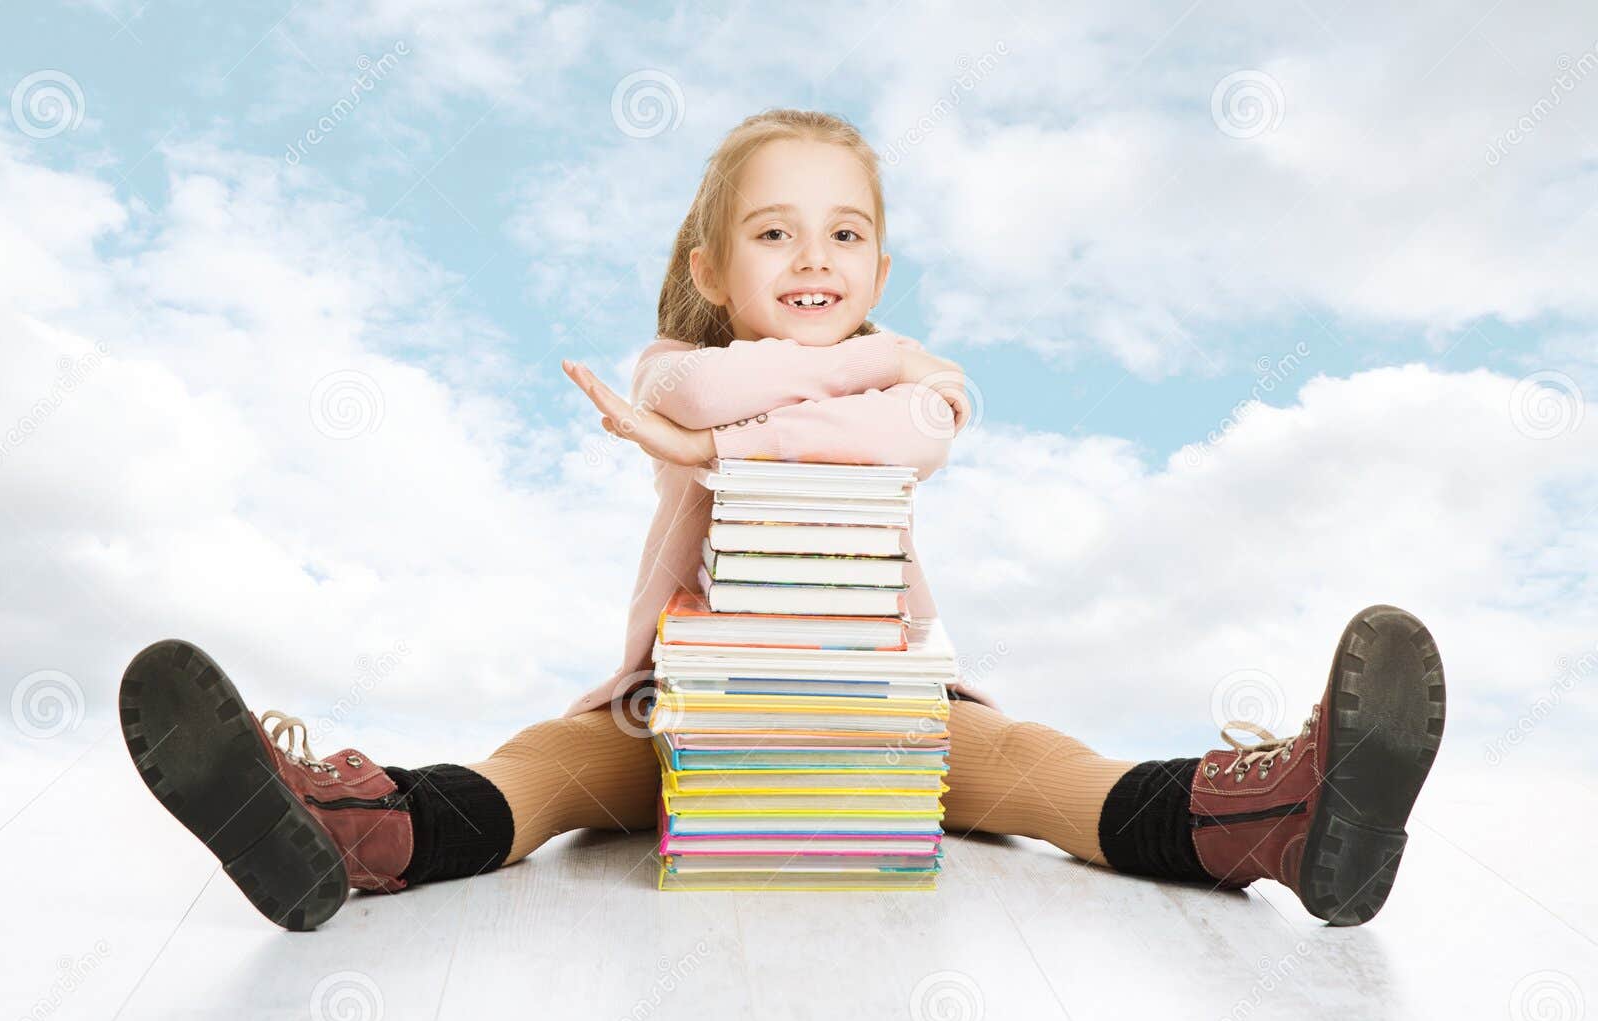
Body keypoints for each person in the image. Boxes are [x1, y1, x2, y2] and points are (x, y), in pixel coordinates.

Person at [118, 109, 1445, 932]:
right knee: (537, 772)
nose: (813, 261)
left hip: (887, 708)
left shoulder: (860, 383)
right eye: (773, 234)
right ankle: (336, 830)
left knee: (1051, 773)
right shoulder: (668, 366)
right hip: (675, 713)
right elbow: (729, 384)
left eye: (845, 236)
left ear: (877, 265)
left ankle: (1281, 817)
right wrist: (871, 370)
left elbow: (929, 421)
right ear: (707, 267)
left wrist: (749, 435)